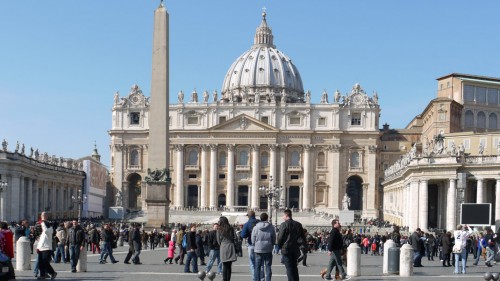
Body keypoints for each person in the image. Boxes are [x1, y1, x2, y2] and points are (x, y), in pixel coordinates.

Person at [277, 209, 306, 281]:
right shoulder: (298, 224)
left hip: (286, 248)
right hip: (296, 248)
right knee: (294, 267)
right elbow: (303, 237)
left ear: (286, 215)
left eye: (283, 215)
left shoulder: (284, 224)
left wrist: (280, 246)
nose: (282, 217)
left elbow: (280, 237)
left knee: (289, 267)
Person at [251, 212, 276, 281]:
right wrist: (272, 244)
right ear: (267, 218)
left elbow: (253, 238)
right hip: (268, 249)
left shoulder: (256, 227)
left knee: (257, 267)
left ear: (260, 218)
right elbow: (274, 237)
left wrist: (254, 244)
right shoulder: (271, 227)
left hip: (258, 249)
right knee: (268, 267)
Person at [241, 210, 262, 280]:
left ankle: (254, 278)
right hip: (260, 245)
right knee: (260, 263)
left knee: (252, 263)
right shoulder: (260, 222)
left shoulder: (247, 224)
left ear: (248, 216)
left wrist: (248, 234)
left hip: (251, 245)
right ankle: (261, 278)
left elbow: (243, 235)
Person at [36, 212, 57, 279]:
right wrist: (38, 247)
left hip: (46, 248)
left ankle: (53, 273)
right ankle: (43, 275)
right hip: (41, 247)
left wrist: (42, 222)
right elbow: (40, 239)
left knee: (45, 261)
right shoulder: (42, 233)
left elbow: (45, 230)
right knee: (40, 263)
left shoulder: (49, 230)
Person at [217, 216, 237, 281]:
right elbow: (235, 238)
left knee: (224, 265)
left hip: (223, 247)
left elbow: (218, 240)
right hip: (231, 246)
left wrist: (222, 244)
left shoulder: (219, 229)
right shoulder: (231, 228)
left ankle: (224, 279)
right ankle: (228, 279)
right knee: (229, 265)